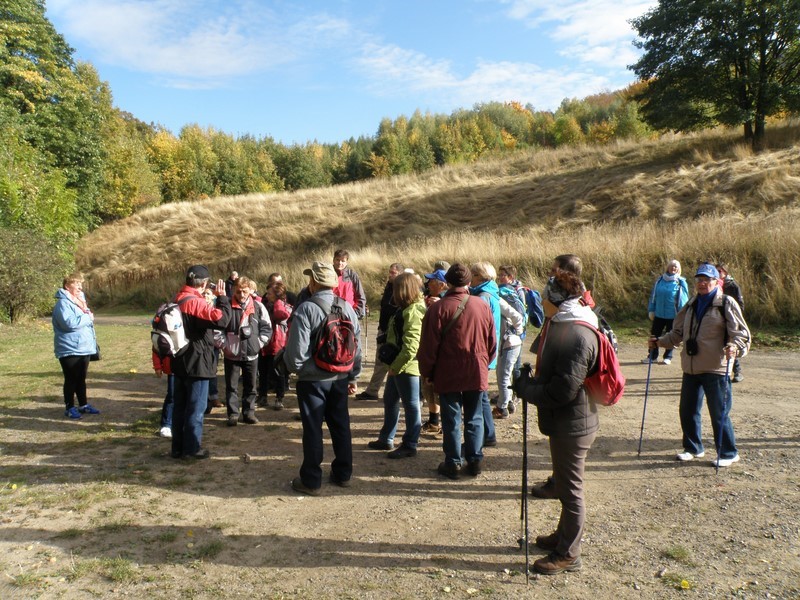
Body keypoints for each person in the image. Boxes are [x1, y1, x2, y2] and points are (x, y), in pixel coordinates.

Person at [514, 269, 601, 575]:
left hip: (573, 422)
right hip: (567, 421)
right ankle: (562, 537)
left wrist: (526, 390)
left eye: (544, 296)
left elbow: (563, 390)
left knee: (571, 490)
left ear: (556, 300)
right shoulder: (563, 322)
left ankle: (569, 554)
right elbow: (547, 359)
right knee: (565, 485)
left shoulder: (578, 334)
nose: (540, 300)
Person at [649, 262, 750, 467]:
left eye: (707, 280)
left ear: (716, 282)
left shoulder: (726, 303)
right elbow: (677, 334)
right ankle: (693, 448)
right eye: (699, 280)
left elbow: (741, 334)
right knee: (687, 410)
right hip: (691, 367)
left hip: (716, 367)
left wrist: (735, 347)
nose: (702, 284)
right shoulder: (691, 303)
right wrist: (659, 342)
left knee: (718, 413)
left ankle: (729, 453)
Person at [284, 261, 362, 495]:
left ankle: (311, 480)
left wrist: (297, 370)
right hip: (340, 377)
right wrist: (353, 376)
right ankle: (343, 473)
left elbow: (296, 353)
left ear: (314, 282)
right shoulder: (347, 307)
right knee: (341, 426)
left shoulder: (306, 308)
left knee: (313, 428)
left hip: (313, 379)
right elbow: (355, 347)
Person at [418, 264, 496, 480]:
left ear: (448, 283)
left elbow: (428, 347)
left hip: (448, 371)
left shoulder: (438, 309)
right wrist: (484, 364)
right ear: (469, 283)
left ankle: (452, 462)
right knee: (475, 417)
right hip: (476, 370)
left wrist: (427, 373)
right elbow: (492, 342)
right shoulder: (482, 306)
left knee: (451, 418)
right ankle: (475, 460)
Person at [171, 265, 231, 460]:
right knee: (196, 408)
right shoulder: (195, 303)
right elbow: (221, 320)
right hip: (197, 361)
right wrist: (222, 298)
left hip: (179, 359)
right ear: (204, 283)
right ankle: (192, 449)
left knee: (180, 406)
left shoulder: (177, 298)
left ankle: (177, 448)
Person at [367, 272, 426, 458]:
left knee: (411, 405)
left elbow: (411, 347)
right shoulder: (406, 308)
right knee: (390, 399)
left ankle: (410, 444)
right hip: (398, 365)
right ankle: (386, 438)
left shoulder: (414, 311)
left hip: (407, 367)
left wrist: (396, 367)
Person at [219, 277, 272, 426]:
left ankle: (249, 413)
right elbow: (217, 330)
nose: (242, 295)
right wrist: (225, 346)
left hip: (251, 354)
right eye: (238, 291)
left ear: (250, 290)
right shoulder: (226, 306)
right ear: (233, 290)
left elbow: (267, 328)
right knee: (232, 387)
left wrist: (258, 344)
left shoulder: (258, 306)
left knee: (251, 386)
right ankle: (233, 414)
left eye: (245, 291)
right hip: (232, 355)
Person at [52, 273, 100, 419]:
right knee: (71, 378)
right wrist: (88, 317)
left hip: (84, 347)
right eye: (76, 283)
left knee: (81, 378)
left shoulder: (79, 301)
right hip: (69, 348)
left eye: (80, 283)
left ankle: (83, 405)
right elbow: (70, 323)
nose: (80, 286)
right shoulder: (63, 304)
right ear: (67, 286)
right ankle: (69, 407)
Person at [356, 263, 403, 401]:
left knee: (385, 361)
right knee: (380, 360)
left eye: (393, 273)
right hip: (383, 329)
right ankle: (373, 391)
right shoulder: (389, 286)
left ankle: (376, 391)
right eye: (390, 272)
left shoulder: (400, 288)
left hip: (392, 331)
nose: (390, 275)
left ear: (400, 274)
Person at [469, 262, 501, 448]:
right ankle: (488, 434)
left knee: (479, 396)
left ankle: (486, 435)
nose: (470, 279)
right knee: (481, 396)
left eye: (472, 275)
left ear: (480, 277)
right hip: (487, 350)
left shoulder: (483, 297)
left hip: (481, 351)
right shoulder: (491, 293)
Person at [643, 259, 689, 365]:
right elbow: (653, 296)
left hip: (673, 315)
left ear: (679, 269)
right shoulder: (660, 280)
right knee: (654, 334)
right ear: (668, 267)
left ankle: (668, 356)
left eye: (676, 267)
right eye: (672, 266)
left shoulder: (681, 281)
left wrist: (682, 314)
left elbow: (684, 299)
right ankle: (652, 356)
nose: (673, 268)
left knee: (671, 336)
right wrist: (651, 309)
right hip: (659, 314)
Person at [420, 269, 449, 434]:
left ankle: (446, 425)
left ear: (442, 284)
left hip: (441, 355)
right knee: (429, 390)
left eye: (432, 281)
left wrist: (438, 304)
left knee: (441, 391)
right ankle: (433, 421)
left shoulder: (446, 301)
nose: (428, 284)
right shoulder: (429, 298)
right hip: (430, 352)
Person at [259, 280, 292, 410]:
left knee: (278, 373)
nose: (267, 295)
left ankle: (279, 398)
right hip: (266, 343)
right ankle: (263, 396)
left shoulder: (279, 305)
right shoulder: (265, 304)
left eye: (269, 293)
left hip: (276, 343)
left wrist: (277, 303)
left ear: (277, 295)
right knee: (264, 372)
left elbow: (282, 315)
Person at [716, 263, 745, 382]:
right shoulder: (713, 285)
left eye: (719, 271)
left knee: (730, 345)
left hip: (730, 322)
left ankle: (737, 371)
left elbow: (740, 306)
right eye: (715, 271)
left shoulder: (733, 286)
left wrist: (733, 318)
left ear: (725, 272)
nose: (717, 273)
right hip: (716, 322)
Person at [332, 249, 367, 318]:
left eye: (343, 261)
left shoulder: (352, 275)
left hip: (349, 315)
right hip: (331, 315)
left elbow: (361, 296)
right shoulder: (327, 274)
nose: (340, 263)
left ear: (346, 262)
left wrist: (355, 314)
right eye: (337, 260)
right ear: (333, 260)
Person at [152, 345, 174, 438]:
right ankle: (166, 424)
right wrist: (157, 366)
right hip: (173, 367)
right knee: (172, 396)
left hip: (192, 367)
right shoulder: (163, 329)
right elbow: (157, 346)